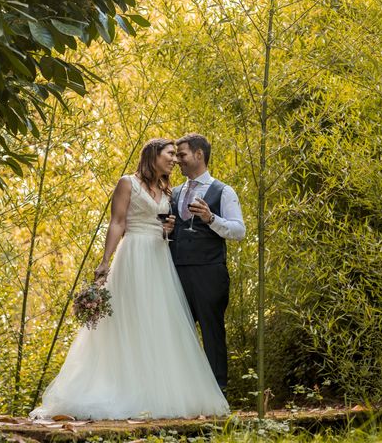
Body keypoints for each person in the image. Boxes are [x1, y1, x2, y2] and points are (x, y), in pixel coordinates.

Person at [29, 138, 229, 421]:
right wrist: (104, 261)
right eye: (170, 154)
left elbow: (165, 225)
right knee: (130, 320)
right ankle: (124, 386)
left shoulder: (166, 189)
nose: (175, 160)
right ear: (153, 155)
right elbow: (117, 222)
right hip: (134, 255)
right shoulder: (127, 183)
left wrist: (167, 229)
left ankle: (157, 390)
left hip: (160, 258)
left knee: (159, 322)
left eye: (176, 155)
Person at [169, 133, 245, 395]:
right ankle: (183, 393)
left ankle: (218, 393)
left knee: (212, 332)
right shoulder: (175, 192)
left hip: (209, 273)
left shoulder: (223, 191)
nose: (178, 160)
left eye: (182, 155)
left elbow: (239, 231)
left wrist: (211, 218)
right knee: (178, 333)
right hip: (176, 272)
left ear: (199, 155)